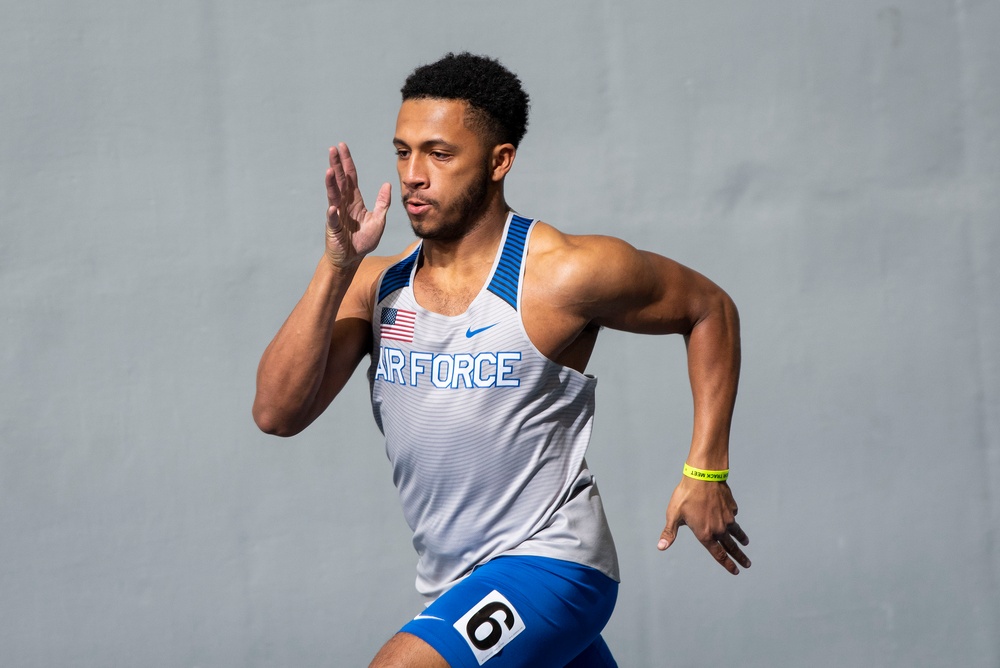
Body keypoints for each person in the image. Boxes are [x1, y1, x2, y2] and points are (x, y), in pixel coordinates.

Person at [253, 52, 750, 668]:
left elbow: (709, 309)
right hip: (453, 582)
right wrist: (336, 264)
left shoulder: (562, 273)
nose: (413, 175)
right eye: (403, 151)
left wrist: (706, 471)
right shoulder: (377, 286)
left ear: (499, 161)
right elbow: (276, 412)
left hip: (554, 564)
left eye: (438, 154)